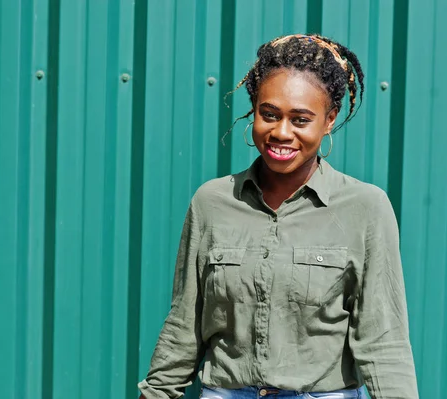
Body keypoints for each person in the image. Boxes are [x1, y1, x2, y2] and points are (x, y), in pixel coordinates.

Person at [138, 34, 418, 399]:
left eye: (301, 119)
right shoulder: (212, 202)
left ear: (329, 120)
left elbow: (383, 340)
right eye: (269, 115)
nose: (281, 133)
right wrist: (157, 391)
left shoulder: (365, 208)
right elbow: (185, 322)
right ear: (254, 108)